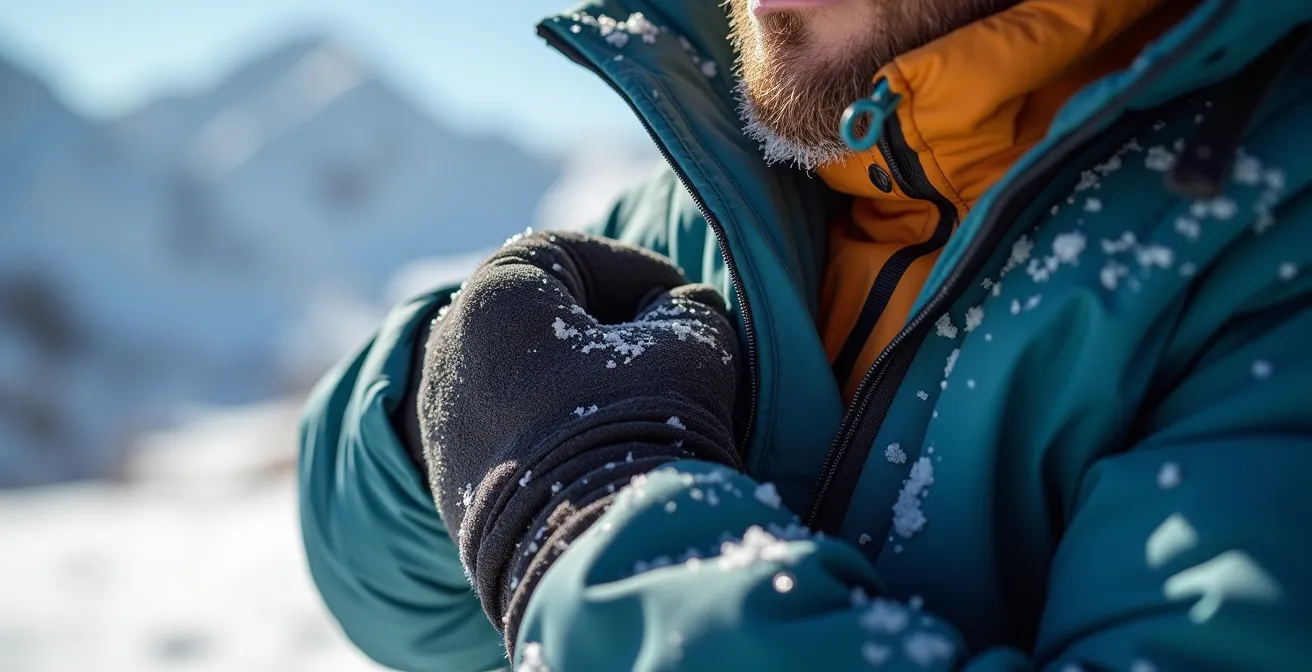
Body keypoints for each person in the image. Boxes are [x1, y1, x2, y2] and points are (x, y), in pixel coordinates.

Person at [298, 0, 1312, 669]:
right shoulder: (738, 174)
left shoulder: (1274, 241)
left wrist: (595, 529)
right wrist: (442, 400)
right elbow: (394, 601)